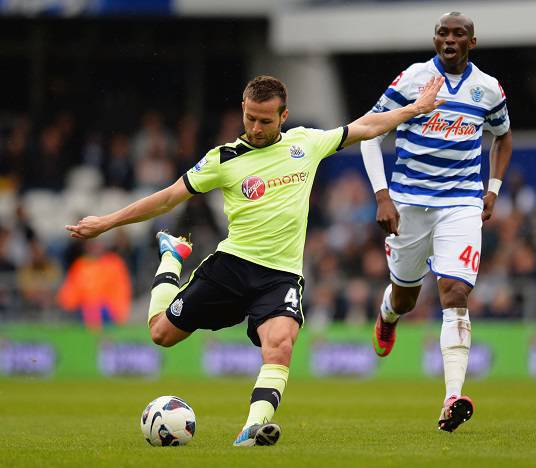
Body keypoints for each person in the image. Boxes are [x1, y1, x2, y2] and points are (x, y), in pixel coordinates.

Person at [66, 74, 445, 447]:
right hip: (231, 267)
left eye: (265, 120)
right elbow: (167, 198)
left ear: (284, 116)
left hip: (280, 276)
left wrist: (416, 108)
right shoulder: (224, 159)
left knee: (280, 344)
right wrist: (107, 222)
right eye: (250, 118)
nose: (256, 127)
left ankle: (253, 428)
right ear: (243, 111)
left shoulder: (307, 143)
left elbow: (365, 126)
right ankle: (172, 257)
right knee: (161, 334)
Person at [360, 12, 513, 433]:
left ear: (472, 42)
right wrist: (382, 194)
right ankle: (388, 316)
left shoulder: (487, 89)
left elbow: (503, 135)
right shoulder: (412, 80)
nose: (449, 39)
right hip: (408, 205)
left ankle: (451, 397)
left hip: (461, 205)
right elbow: (370, 132)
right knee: (406, 297)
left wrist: (492, 188)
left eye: (458, 34)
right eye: (443, 33)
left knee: (455, 290)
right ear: (435, 39)